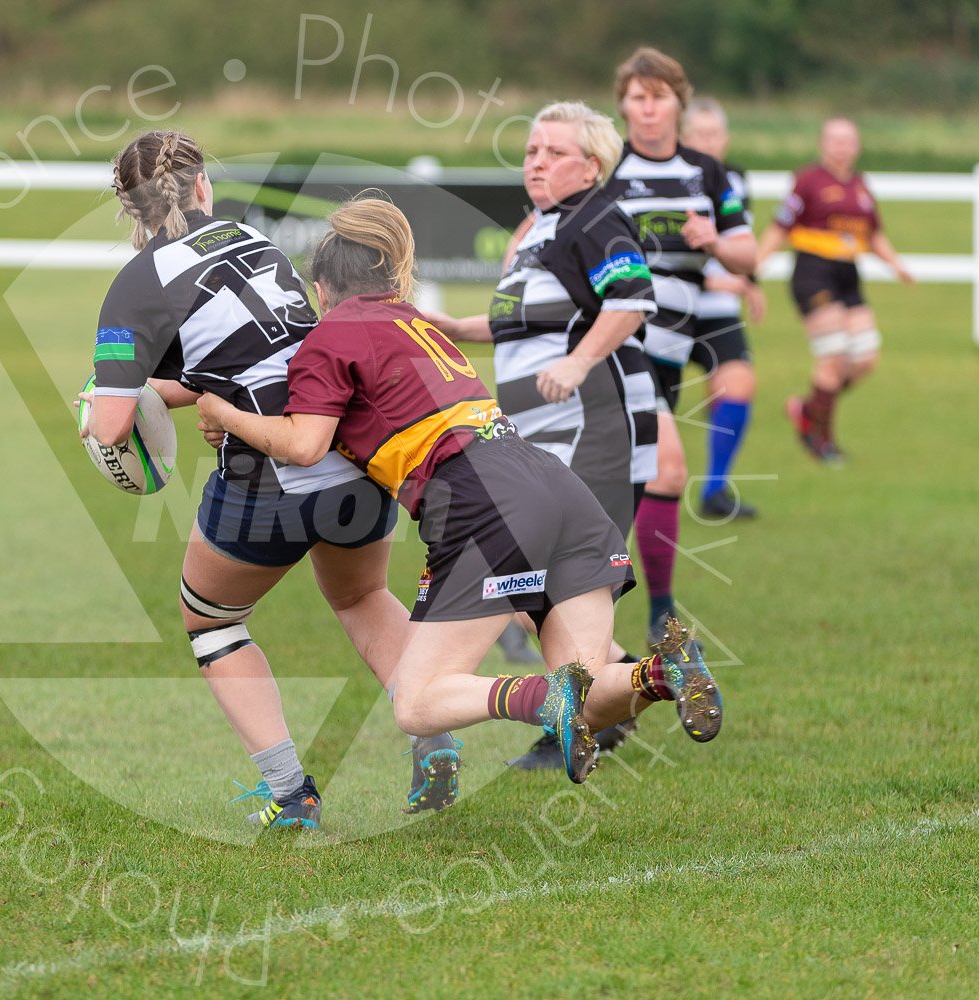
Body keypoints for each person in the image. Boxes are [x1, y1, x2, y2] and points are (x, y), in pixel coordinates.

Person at [196, 198, 724, 786]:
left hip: (481, 502)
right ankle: (660, 672)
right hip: (553, 486)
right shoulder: (414, 321)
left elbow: (303, 444)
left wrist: (223, 411)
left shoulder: (334, 334)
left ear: (322, 289)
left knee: (416, 705)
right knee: (587, 686)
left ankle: (545, 699)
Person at [82, 130, 459, 829]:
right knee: (361, 595)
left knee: (212, 621)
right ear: (201, 187)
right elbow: (253, 356)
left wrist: (100, 413)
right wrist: (190, 396)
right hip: (350, 453)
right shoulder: (255, 243)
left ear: (129, 209)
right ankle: (433, 736)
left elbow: (109, 426)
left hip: (268, 480)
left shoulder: (136, 281)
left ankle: (291, 795)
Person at [428, 101, 660, 766]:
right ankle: (646, 680)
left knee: (548, 579)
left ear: (591, 164)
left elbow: (631, 298)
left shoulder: (595, 217)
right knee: (531, 587)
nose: (536, 161)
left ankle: (582, 719)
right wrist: (447, 326)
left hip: (595, 428)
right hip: (542, 433)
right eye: (531, 150)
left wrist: (580, 361)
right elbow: (515, 321)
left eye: (553, 152)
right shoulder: (539, 228)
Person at [606, 47, 758, 644]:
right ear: (622, 106)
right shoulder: (603, 167)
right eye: (638, 97)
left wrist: (714, 241)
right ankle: (659, 615)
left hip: (670, 348)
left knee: (632, 480)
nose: (648, 108)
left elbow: (748, 254)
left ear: (679, 101)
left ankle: (529, 605)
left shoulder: (708, 174)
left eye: (659, 96)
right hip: (618, 341)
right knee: (667, 469)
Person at [758, 116, 915, 462]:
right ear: (822, 144)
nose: (841, 147)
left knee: (865, 358)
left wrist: (897, 265)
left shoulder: (860, 185)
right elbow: (780, 226)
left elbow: (872, 234)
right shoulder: (807, 182)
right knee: (832, 356)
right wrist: (754, 264)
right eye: (834, 140)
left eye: (847, 140)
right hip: (813, 273)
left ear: (857, 146)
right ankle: (821, 440)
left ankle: (807, 409)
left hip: (848, 274)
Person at [680, 97, 767, 518]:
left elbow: (740, 241)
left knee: (738, 384)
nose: (707, 141)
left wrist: (749, 283)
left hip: (716, 308)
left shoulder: (735, 179)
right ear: (682, 137)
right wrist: (713, 278)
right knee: (646, 409)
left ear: (726, 139)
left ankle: (713, 489)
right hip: (668, 308)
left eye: (714, 134)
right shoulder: (667, 179)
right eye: (698, 134)